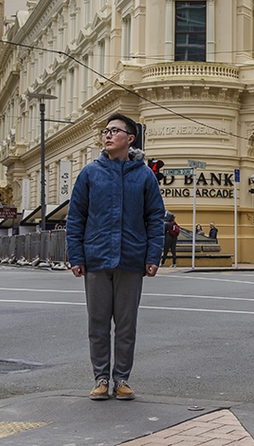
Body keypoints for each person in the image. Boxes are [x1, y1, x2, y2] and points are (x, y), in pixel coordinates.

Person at [66, 112, 165, 402]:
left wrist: (153, 255)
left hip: (131, 258)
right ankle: (100, 378)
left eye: (114, 131)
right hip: (96, 257)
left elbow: (155, 217)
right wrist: (76, 255)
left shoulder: (144, 175)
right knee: (97, 324)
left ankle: (121, 379)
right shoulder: (90, 173)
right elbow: (76, 218)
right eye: (105, 131)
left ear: (130, 139)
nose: (107, 135)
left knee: (126, 324)